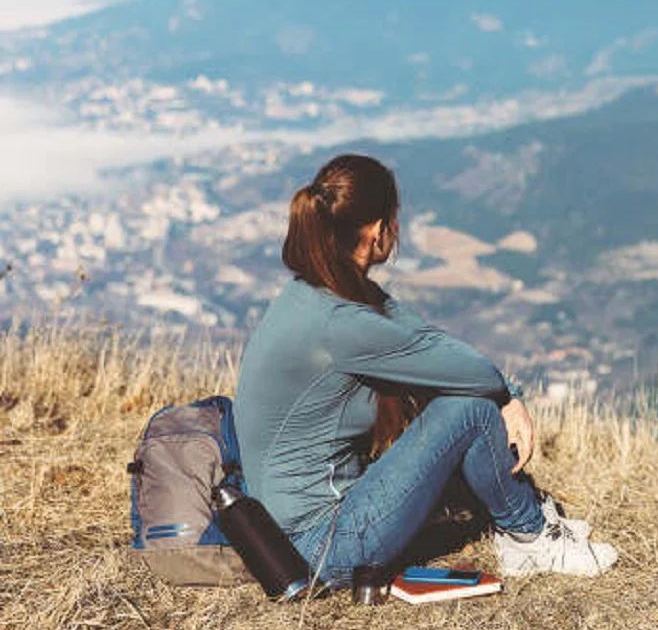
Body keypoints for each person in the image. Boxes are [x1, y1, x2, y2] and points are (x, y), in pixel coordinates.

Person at [233, 154, 616, 589]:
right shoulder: (341, 323)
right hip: (322, 546)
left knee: (467, 399)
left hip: (289, 535)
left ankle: (520, 518)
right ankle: (528, 536)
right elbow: (468, 372)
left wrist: (504, 393)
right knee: (468, 409)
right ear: (378, 229)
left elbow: (429, 344)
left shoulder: (319, 291)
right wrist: (506, 397)